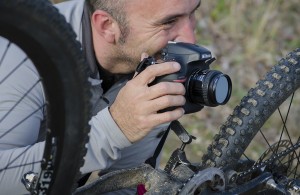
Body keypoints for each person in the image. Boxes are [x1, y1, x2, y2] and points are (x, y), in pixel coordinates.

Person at [0, 0, 201, 194]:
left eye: (192, 13)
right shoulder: (25, 54)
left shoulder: (149, 62)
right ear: (107, 26)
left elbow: (128, 185)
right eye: (168, 22)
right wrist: (114, 129)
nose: (191, 40)